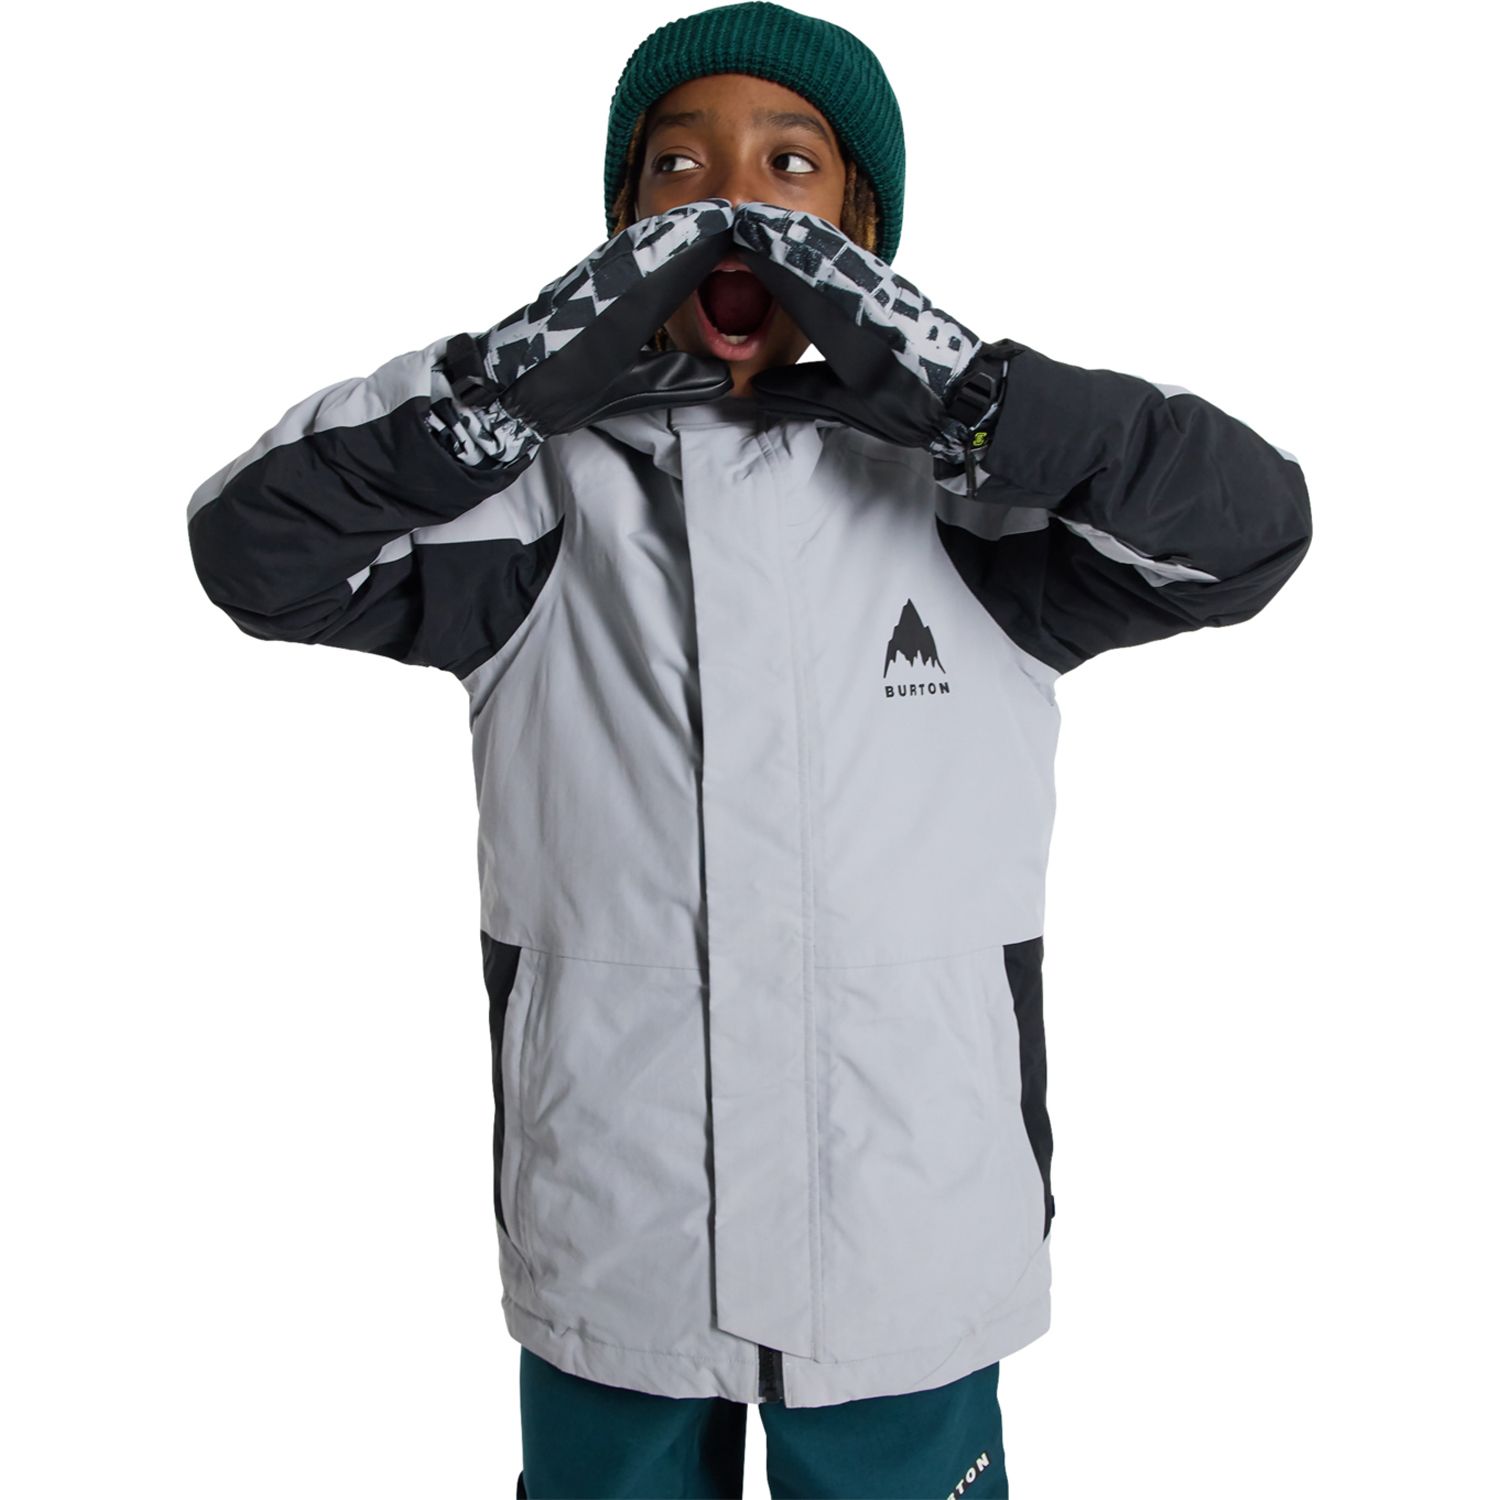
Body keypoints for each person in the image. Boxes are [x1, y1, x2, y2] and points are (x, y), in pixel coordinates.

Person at [184, 3, 1313, 1495]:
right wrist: (501, 390)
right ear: (618, 232)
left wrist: (970, 395)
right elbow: (252, 548)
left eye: (790, 165)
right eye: (676, 167)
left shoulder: (978, 505)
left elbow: (1250, 529)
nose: (729, 202)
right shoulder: (533, 506)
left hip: (906, 1232)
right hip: (620, 1227)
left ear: (862, 234)